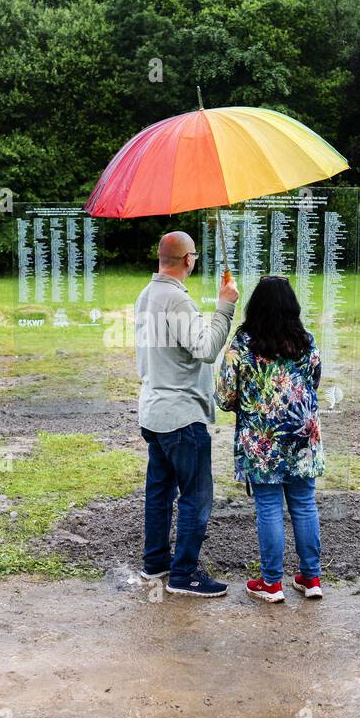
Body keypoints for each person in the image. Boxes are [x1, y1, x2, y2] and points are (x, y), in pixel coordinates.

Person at [134, 230, 239, 597]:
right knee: (196, 495)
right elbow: (206, 349)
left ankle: (155, 563)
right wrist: (225, 306)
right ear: (188, 260)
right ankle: (184, 574)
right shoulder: (177, 301)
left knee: (160, 493)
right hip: (181, 416)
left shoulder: (147, 295)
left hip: (154, 411)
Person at [214, 276, 324, 602]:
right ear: (292, 306)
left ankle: (272, 583)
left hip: (262, 440)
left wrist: (248, 405)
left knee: (269, 507)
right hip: (302, 435)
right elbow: (314, 380)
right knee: (304, 504)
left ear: (255, 306)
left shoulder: (243, 344)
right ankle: (311, 578)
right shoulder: (307, 341)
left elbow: (223, 395)